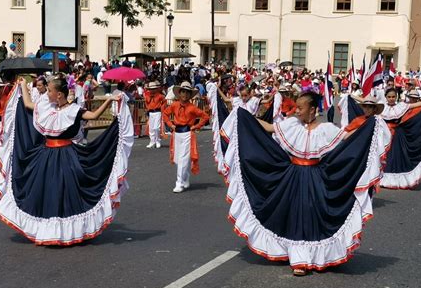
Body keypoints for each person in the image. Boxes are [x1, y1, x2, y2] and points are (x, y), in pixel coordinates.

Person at [224, 91, 391, 276]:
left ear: (312, 110)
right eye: (296, 107)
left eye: (300, 108)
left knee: (313, 214)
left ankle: (317, 256)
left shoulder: (327, 129)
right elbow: (269, 128)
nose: (296, 111)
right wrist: (244, 116)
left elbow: (347, 138)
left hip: (316, 176)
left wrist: (371, 128)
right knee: (295, 214)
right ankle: (299, 259)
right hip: (293, 176)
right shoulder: (292, 125)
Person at [0, 76, 134, 245]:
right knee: (47, 191)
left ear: (59, 94)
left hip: (67, 156)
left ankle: (68, 232)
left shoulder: (74, 110)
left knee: (65, 191)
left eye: (50, 91)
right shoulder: (47, 108)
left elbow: (94, 114)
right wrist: (23, 85)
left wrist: (110, 99)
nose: (47, 93)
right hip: (46, 156)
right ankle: (49, 231)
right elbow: (28, 105)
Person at [162, 81, 209, 193]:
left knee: (183, 159)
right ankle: (186, 178)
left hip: (188, 134)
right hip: (177, 134)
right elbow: (165, 114)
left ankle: (179, 183)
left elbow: (205, 116)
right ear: (179, 93)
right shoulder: (174, 105)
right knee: (178, 159)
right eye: (183, 92)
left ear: (190, 95)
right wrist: (171, 125)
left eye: (187, 92)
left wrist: (196, 126)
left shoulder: (192, 107)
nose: (185, 95)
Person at [144, 81, 166, 149]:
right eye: (151, 89)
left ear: (156, 89)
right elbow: (146, 103)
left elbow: (165, 101)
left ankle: (158, 141)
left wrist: (162, 108)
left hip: (157, 112)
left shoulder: (160, 96)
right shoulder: (147, 96)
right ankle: (152, 141)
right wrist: (147, 109)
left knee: (157, 128)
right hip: (151, 113)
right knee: (151, 128)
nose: (152, 90)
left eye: (153, 89)